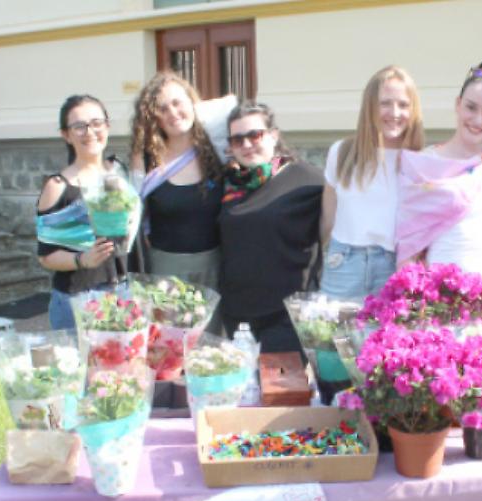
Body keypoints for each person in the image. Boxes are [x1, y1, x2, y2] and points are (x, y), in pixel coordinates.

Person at [395, 60, 482, 332]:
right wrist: (410, 308)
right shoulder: (423, 165)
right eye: (471, 107)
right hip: (440, 303)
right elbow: (409, 246)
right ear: (457, 104)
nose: (477, 120)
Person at [219, 102, 323, 353]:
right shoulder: (230, 185)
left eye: (254, 135)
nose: (246, 145)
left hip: (284, 318)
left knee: (280, 391)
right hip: (237, 319)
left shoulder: (306, 179)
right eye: (237, 140)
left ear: (273, 135)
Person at [320, 66, 424, 299]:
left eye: (404, 105)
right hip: (343, 266)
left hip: (393, 270)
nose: (394, 112)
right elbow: (327, 220)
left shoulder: (420, 163)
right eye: (385, 103)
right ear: (370, 107)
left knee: (387, 336)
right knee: (333, 336)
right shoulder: (342, 152)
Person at [36, 95, 130, 331]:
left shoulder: (120, 173)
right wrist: (81, 259)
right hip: (77, 300)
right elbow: (45, 256)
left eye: (97, 123)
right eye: (79, 126)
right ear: (66, 134)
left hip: (123, 293)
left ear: (107, 126)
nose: (90, 132)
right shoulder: (57, 187)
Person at [130, 73, 225, 289]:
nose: (173, 113)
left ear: (192, 103)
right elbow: (134, 216)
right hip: (165, 271)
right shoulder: (145, 159)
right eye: (162, 109)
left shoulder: (219, 150)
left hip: (217, 269)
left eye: (177, 103)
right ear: (153, 118)